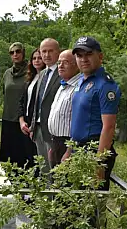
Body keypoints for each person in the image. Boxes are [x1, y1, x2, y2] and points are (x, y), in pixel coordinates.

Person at [69, 36, 121, 190]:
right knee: (76, 205)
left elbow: (109, 127)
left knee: (92, 207)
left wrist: (99, 163)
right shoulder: (82, 80)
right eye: (79, 56)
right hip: (77, 150)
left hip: (93, 151)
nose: (83, 59)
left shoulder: (105, 85)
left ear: (100, 56)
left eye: (88, 54)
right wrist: (69, 150)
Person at [0, 42, 37, 168]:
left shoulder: (31, 71)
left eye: (18, 51)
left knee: (24, 156)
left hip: (23, 120)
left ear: (23, 52)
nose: (15, 54)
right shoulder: (7, 74)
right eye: (12, 52)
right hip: (8, 118)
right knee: (9, 156)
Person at [29, 38, 61, 173]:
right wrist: (32, 126)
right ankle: (44, 195)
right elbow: (37, 102)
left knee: (54, 170)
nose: (46, 55)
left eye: (50, 51)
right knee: (43, 169)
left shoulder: (63, 73)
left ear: (58, 52)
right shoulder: (42, 74)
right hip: (38, 129)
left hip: (53, 131)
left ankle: (53, 195)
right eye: (44, 51)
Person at [47, 50, 81, 167]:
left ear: (76, 64)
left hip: (68, 145)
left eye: (65, 62)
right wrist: (53, 147)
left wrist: (70, 151)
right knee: (55, 183)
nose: (60, 66)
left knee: (64, 183)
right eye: (59, 62)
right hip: (56, 142)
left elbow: (79, 122)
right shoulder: (63, 86)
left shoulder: (79, 88)